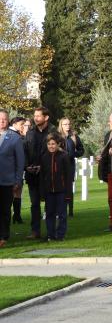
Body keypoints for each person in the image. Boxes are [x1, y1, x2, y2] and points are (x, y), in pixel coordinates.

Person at [24, 106, 57, 239]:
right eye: (35, 115)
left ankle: (50, 232)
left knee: (50, 204)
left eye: (38, 116)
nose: (35, 118)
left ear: (46, 117)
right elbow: (25, 150)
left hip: (48, 175)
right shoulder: (30, 132)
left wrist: (42, 167)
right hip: (32, 175)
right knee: (34, 204)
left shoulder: (53, 132)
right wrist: (27, 166)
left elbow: (56, 153)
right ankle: (35, 231)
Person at [40, 133, 73, 241]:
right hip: (49, 191)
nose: (51, 146)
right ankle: (50, 234)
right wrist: (43, 192)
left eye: (53, 144)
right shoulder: (44, 157)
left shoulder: (64, 156)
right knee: (49, 213)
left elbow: (68, 176)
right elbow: (42, 176)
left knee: (62, 214)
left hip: (61, 190)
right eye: (49, 144)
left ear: (58, 144)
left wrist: (68, 193)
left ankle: (60, 235)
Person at [0, 109, 25, 247]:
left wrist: (17, 180)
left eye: (4, 119)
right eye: (0, 119)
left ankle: (4, 236)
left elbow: (20, 161)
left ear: (8, 120)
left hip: (7, 180)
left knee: (4, 209)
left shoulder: (14, 138)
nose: (2, 121)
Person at [58, 117, 85, 217]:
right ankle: (60, 210)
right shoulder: (57, 137)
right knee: (59, 188)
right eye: (65, 124)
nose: (67, 126)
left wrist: (73, 154)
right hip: (59, 166)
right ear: (61, 125)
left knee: (69, 189)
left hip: (70, 166)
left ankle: (70, 211)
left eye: (69, 124)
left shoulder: (74, 136)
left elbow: (81, 150)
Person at [9, 116, 26, 224]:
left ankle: (17, 215)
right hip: (12, 170)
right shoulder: (13, 135)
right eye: (21, 124)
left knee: (18, 192)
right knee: (12, 192)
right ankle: (14, 215)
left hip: (17, 169)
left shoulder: (17, 135)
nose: (23, 127)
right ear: (14, 124)